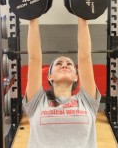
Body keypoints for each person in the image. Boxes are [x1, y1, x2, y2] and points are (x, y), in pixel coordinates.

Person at [23, 17, 101, 148]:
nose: (64, 65)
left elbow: (85, 57)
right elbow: (34, 58)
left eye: (69, 64)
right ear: (49, 77)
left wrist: (82, 16)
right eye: (58, 64)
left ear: (77, 77)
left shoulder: (87, 101)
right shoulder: (37, 102)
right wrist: (33, 16)